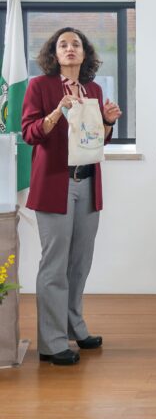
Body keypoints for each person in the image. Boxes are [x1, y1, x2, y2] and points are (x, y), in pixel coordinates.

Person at [21, 27, 122, 366]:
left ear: (84, 53)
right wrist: (57, 112)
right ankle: (50, 344)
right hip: (55, 185)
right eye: (62, 44)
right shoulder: (40, 86)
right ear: (54, 52)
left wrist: (108, 124)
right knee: (55, 265)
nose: (69, 48)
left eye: (75, 44)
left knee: (79, 264)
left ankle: (73, 327)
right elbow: (30, 133)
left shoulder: (93, 89)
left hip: (87, 182)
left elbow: (96, 141)